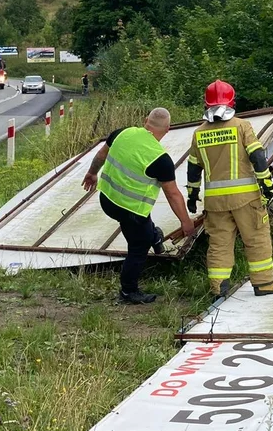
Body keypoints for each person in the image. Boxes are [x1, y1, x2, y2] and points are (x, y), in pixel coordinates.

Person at [81, 107, 196, 304]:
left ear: (145, 121)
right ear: (167, 129)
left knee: (143, 229)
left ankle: (154, 236)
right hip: (131, 211)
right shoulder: (160, 159)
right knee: (138, 247)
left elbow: (101, 155)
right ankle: (128, 292)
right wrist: (186, 222)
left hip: (107, 200)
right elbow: (173, 193)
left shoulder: (122, 133)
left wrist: (92, 173)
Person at [186, 80, 273, 298]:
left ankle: (218, 287)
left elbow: (193, 168)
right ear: (233, 102)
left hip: (215, 202)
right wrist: (266, 185)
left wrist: (192, 196)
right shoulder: (241, 126)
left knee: (219, 243)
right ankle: (264, 283)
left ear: (206, 103)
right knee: (256, 238)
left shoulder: (199, 133)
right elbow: (257, 157)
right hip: (246, 198)